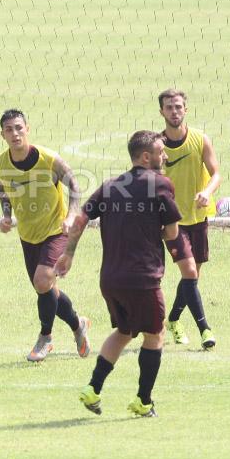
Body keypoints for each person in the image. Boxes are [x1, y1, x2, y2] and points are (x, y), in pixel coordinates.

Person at [55, 130, 181, 418]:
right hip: (143, 278)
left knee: (124, 332)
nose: (165, 155)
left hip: (110, 279)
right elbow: (172, 232)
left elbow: (81, 218)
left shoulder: (111, 186)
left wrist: (69, 253)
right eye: (161, 151)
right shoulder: (161, 184)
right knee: (155, 333)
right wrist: (155, 231)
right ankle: (143, 401)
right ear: (146, 157)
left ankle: (93, 389)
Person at [0, 109, 91, 362]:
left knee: (43, 280)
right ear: (2, 134)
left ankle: (45, 338)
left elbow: (75, 185)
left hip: (55, 230)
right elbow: (2, 189)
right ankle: (78, 324)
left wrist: (70, 216)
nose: (15, 133)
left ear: (27, 128)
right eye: (9, 130)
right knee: (47, 291)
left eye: (18, 128)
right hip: (28, 234)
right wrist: (6, 215)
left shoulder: (49, 159)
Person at [157, 89, 221, 350]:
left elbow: (216, 173)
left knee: (192, 277)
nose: (174, 111)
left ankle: (172, 320)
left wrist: (207, 191)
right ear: (161, 112)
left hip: (199, 216)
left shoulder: (200, 139)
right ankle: (205, 329)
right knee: (190, 272)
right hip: (172, 222)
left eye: (178, 107)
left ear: (186, 109)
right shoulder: (156, 146)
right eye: (169, 107)